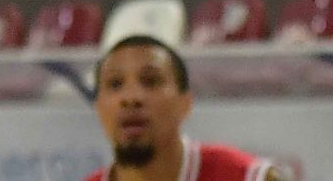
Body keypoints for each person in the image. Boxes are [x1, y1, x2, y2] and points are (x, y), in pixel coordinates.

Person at [86, 36, 283, 181]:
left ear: (185, 103)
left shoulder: (247, 176)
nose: (131, 98)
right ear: (98, 108)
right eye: (115, 84)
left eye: (150, 81)